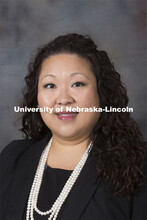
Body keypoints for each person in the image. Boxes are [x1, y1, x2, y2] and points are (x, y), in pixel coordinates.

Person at [0, 33, 146, 220]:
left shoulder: (138, 163)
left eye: (77, 84)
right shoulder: (12, 157)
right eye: (50, 85)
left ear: (102, 93)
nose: (63, 99)